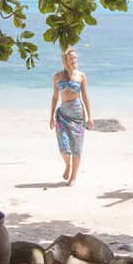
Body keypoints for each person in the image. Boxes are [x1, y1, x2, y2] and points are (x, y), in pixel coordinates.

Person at [49, 48, 94, 185]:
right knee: (63, 145)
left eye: (75, 58)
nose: (74, 61)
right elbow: (55, 96)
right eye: (71, 58)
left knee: (76, 147)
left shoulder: (81, 76)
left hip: (77, 115)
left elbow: (85, 96)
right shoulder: (57, 76)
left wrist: (90, 117)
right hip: (62, 114)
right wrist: (51, 116)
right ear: (65, 61)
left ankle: (73, 177)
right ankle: (67, 164)